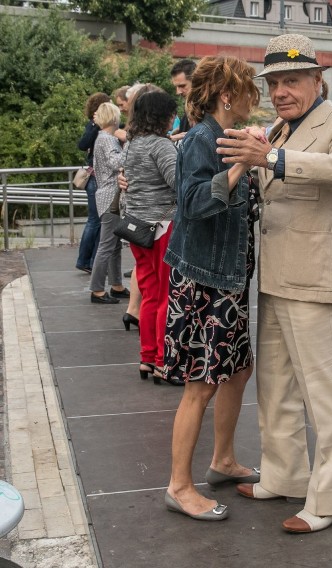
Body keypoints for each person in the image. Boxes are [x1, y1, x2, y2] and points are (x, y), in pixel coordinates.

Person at [216, 34, 332, 534]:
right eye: (274, 82)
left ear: (318, 80)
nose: (281, 91)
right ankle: (285, 475)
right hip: (276, 276)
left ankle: (330, 498)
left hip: (315, 281)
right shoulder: (279, 126)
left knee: (324, 398)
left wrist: (272, 161)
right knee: (276, 387)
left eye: (292, 81)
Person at [161, 56, 262, 521]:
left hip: (227, 280)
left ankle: (222, 460)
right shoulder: (202, 140)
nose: (255, 99)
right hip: (203, 280)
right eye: (248, 90)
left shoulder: (226, 137)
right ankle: (179, 485)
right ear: (227, 95)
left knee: (237, 371)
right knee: (200, 384)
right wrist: (241, 167)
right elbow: (194, 203)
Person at [122, 91, 180, 386]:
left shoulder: (131, 145)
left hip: (137, 229)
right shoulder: (161, 146)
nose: (173, 119)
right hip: (163, 227)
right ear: (163, 116)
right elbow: (178, 183)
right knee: (168, 296)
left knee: (150, 294)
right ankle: (162, 362)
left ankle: (147, 357)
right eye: (171, 114)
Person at [88, 102, 129, 305]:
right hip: (110, 197)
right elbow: (117, 163)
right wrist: (130, 146)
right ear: (114, 118)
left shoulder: (102, 138)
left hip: (105, 196)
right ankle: (97, 289)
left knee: (114, 246)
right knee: (106, 246)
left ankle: (117, 285)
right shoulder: (107, 139)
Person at [75, 92, 110, 274]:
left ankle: (88, 260)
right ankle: (86, 260)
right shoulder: (96, 126)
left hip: (95, 178)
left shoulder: (95, 126)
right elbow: (82, 144)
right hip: (97, 178)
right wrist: (96, 124)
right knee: (95, 221)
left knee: (95, 221)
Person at [170, 59, 197, 142]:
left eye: (182, 86)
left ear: (196, 81)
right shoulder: (189, 108)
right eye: (177, 87)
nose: (178, 92)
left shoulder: (211, 109)